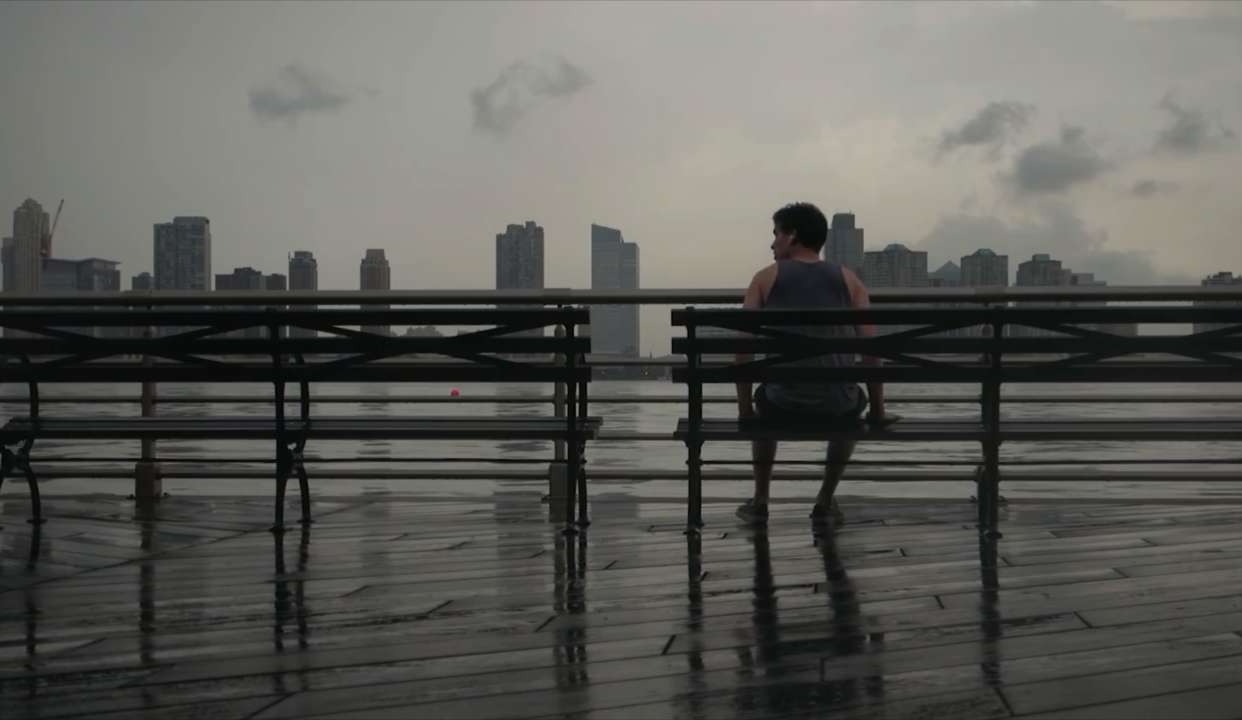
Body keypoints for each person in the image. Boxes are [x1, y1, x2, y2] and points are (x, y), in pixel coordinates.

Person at [734, 202, 899, 526]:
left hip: (780, 403)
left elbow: (742, 349)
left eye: (776, 234)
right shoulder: (850, 280)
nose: (772, 243)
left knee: (764, 400)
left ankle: (761, 499)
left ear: (792, 236)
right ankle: (825, 499)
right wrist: (878, 410)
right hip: (838, 404)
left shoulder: (764, 279)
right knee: (851, 401)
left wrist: (744, 411)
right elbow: (870, 351)